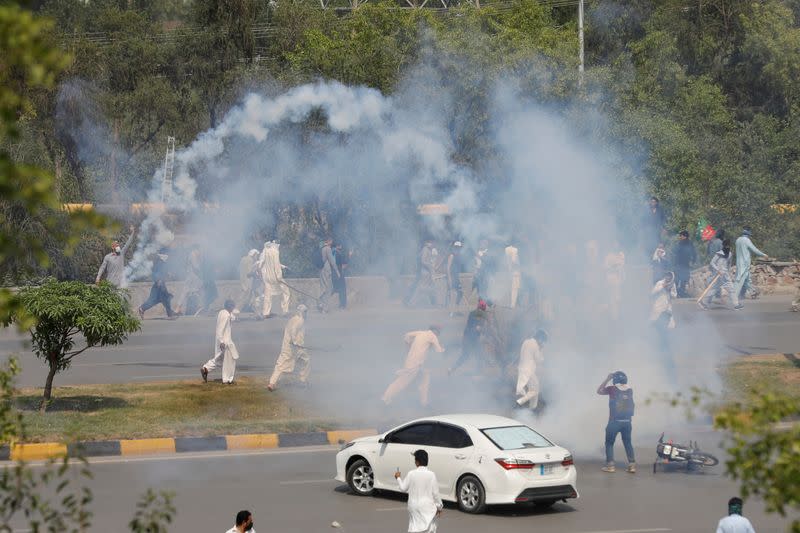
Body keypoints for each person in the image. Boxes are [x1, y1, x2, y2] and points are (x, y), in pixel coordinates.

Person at [382, 326, 444, 407]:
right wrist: (443, 349)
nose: (439, 333)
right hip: (415, 364)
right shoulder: (432, 336)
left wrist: (409, 345)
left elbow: (407, 335)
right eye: (439, 331)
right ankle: (386, 397)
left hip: (414, 362)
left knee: (426, 377)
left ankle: (424, 402)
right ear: (435, 331)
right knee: (402, 382)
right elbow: (438, 350)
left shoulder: (421, 333)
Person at [394, 449, 443, 533]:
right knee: (429, 528)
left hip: (413, 506)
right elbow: (436, 494)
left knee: (414, 527)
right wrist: (439, 507)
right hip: (427, 507)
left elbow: (403, 488)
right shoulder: (431, 475)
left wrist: (398, 478)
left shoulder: (411, 473)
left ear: (417, 462)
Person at [597, 371, 636, 473]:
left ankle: (610, 466)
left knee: (609, 443)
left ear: (615, 380)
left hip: (614, 422)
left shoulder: (612, 389)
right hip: (627, 422)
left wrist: (607, 379)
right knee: (628, 443)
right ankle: (632, 466)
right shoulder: (630, 390)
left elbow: (599, 391)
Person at [267, 304, 309, 391]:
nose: (306, 313)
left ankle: (272, 383)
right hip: (294, 347)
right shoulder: (300, 320)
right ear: (302, 312)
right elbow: (293, 330)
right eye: (305, 312)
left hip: (291, 347)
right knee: (305, 361)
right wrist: (294, 341)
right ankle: (302, 380)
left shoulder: (293, 319)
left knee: (281, 364)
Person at [201, 299, 239, 384]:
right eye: (232, 306)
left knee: (219, 359)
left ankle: (205, 368)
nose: (233, 308)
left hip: (224, 340)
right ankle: (227, 379)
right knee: (230, 360)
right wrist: (221, 341)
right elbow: (219, 329)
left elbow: (233, 318)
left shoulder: (224, 313)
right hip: (225, 342)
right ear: (229, 307)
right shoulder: (225, 315)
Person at [448, 300, 487, 374]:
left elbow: (475, 326)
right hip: (470, 339)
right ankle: (452, 368)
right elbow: (476, 327)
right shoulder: (477, 314)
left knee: (478, 354)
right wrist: (479, 328)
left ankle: (452, 368)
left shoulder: (474, 313)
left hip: (470, 338)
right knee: (466, 356)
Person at [699, 240, 738, 310]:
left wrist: (728, 272)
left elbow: (729, 264)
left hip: (725, 275)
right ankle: (704, 302)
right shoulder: (718, 254)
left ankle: (736, 304)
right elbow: (712, 263)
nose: (727, 247)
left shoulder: (730, 254)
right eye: (726, 245)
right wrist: (718, 270)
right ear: (723, 246)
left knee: (730, 289)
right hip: (718, 275)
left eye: (728, 246)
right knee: (714, 289)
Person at [734, 228, 768, 304]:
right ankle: (735, 295)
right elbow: (754, 249)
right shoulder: (746, 240)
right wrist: (763, 254)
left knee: (745, 279)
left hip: (738, 262)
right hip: (745, 263)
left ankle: (751, 292)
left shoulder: (738, 240)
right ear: (748, 234)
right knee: (741, 279)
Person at [515, 329, 547, 410]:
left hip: (522, 369)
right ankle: (522, 403)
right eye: (543, 341)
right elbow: (539, 360)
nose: (543, 343)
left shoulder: (526, 342)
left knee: (534, 389)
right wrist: (541, 350)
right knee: (534, 390)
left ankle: (531, 407)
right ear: (540, 339)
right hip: (528, 371)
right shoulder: (535, 345)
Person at [138, 250, 174, 319]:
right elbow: (156, 273)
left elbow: (161, 272)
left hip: (159, 283)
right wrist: (159, 280)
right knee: (162, 299)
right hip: (159, 284)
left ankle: (170, 313)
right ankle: (170, 314)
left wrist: (167, 274)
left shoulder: (160, 262)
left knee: (158, 300)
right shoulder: (159, 262)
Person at [259, 241, 290, 317]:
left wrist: (284, 267)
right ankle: (285, 310)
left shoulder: (265, 252)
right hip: (275, 277)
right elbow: (276, 265)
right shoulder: (275, 252)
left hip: (267, 277)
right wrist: (279, 277)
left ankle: (266, 312)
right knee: (286, 292)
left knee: (268, 295)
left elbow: (261, 264)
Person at [176, 245, 203, 316]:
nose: (200, 252)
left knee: (194, 291)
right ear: (196, 249)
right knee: (186, 291)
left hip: (193, 278)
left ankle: (198, 307)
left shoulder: (193, 255)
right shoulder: (193, 255)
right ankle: (178, 308)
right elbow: (196, 267)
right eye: (199, 250)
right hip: (191, 278)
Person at [672, 230, 696, 298]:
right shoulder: (689, 243)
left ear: (684, 236)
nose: (680, 237)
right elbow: (694, 253)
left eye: (681, 235)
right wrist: (693, 260)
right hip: (684, 264)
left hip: (680, 264)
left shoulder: (681, 243)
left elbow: (675, 252)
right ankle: (680, 293)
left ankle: (677, 293)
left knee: (679, 279)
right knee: (683, 279)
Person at [318, 238, 339, 313]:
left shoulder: (321, 248)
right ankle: (325, 307)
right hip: (327, 270)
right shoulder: (328, 249)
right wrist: (337, 271)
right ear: (329, 241)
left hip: (321, 270)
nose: (332, 242)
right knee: (328, 288)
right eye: (331, 240)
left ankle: (320, 304)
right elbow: (332, 261)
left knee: (323, 287)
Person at [237, 249, 261, 314]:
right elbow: (249, 273)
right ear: (254, 254)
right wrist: (257, 275)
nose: (257, 257)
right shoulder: (250, 260)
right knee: (243, 298)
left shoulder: (243, 259)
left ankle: (257, 313)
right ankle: (235, 313)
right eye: (256, 255)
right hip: (248, 283)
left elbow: (240, 270)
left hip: (243, 281)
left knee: (250, 297)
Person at [446, 241, 464, 316]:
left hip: (456, 277)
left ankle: (456, 310)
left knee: (460, 293)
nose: (458, 249)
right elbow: (448, 268)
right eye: (456, 247)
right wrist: (449, 279)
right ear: (454, 247)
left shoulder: (458, 256)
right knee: (454, 295)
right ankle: (452, 312)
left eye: (459, 248)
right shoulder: (452, 255)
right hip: (452, 277)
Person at [505, 241, 521, 309]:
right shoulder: (514, 250)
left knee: (512, 288)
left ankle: (513, 303)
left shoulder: (507, 249)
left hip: (510, 272)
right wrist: (519, 267)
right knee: (515, 288)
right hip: (515, 272)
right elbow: (514, 261)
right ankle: (512, 304)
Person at [333, 242, 349, 309]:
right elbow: (344, 265)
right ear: (339, 246)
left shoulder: (333, 252)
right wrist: (349, 257)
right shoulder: (339, 254)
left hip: (334, 273)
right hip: (340, 273)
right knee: (342, 289)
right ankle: (343, 305)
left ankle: (341, 305)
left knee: (337, 289)